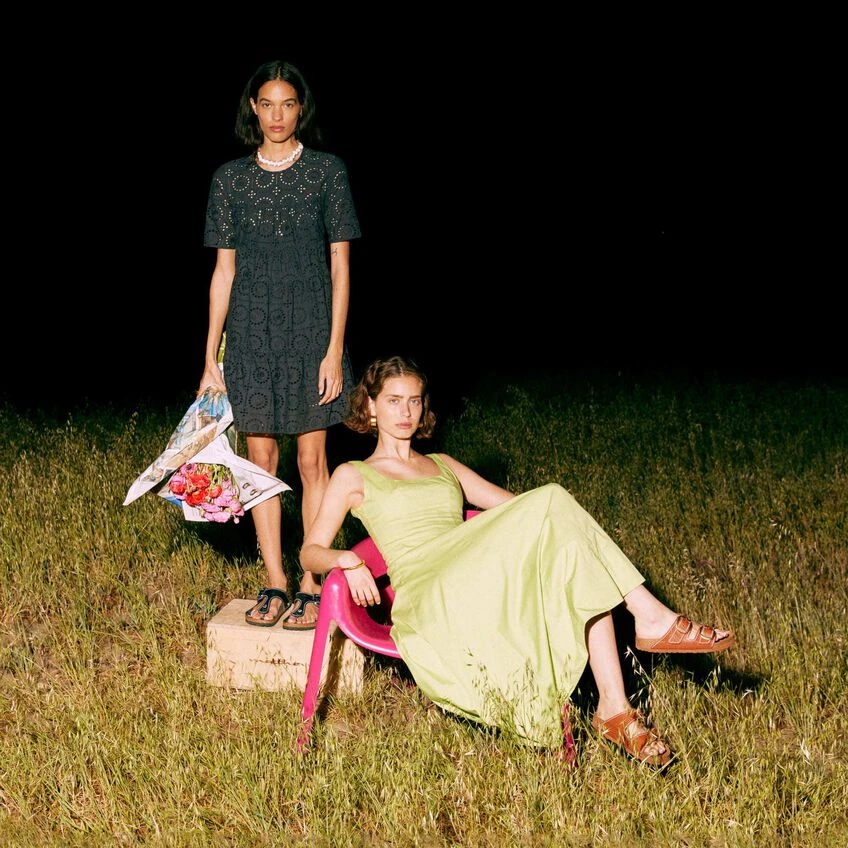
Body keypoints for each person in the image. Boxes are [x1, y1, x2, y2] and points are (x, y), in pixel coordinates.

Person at [300, 356, 736, 765]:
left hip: (472, 570)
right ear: (370, 407)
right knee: (554, 502)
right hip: (429, 592)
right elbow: (310, 552)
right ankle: (650, 618)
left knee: (572, 554)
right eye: (394, 401)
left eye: (414, 400)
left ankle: (615, 707)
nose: (405, 412)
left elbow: (519, 507)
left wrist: (560, 533)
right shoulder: (353, 474)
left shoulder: (442, 463)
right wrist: (347, 560)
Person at [199, 59, 360, 630]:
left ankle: (313, 583)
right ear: (253, 108)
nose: (277, 115)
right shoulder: (230, 180)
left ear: (301, 109)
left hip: (312, 333)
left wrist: (334, 348)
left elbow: (341, 266)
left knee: (313, 461)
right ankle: (275, 581)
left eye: (287, 104)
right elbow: (223, 272)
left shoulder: (326, 172)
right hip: (251, 336)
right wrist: (210, 359)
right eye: (267, 104)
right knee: (259, 461)